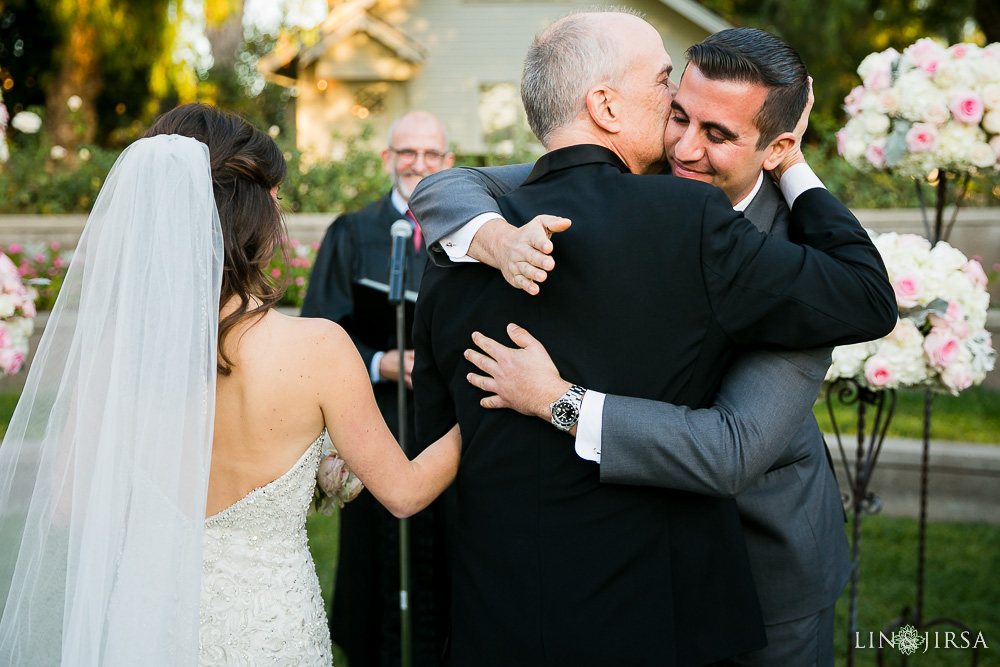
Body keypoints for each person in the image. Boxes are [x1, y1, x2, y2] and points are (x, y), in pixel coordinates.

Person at [410, 11, 895, 667]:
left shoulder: (799, 256)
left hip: (771, 556)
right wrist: (495, 239)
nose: (685, 146)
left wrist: (557, 398)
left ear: (775, 148)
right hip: (651, 571)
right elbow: (451, 184)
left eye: (717, 133)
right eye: (676, 107)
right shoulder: (651, 197)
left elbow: (732, 448)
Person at [0, 103, 461, 667]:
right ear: (252, 216)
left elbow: (69, 507)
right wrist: (484, 415)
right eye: (275, 199)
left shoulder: (113, 354)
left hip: (145, 622)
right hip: (267, 631)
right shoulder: (318, 348)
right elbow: (405, 491)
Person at [300, 110, 455, 667]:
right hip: (374, 419)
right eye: (407, 153)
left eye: (430, 154)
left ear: (448, 162)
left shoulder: (465, 234)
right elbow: (319, 328)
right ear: (389, 159)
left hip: (442, 425)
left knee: (447, 548)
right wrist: (380, 360)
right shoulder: (353, 231)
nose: (419, 164)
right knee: (377, 550)